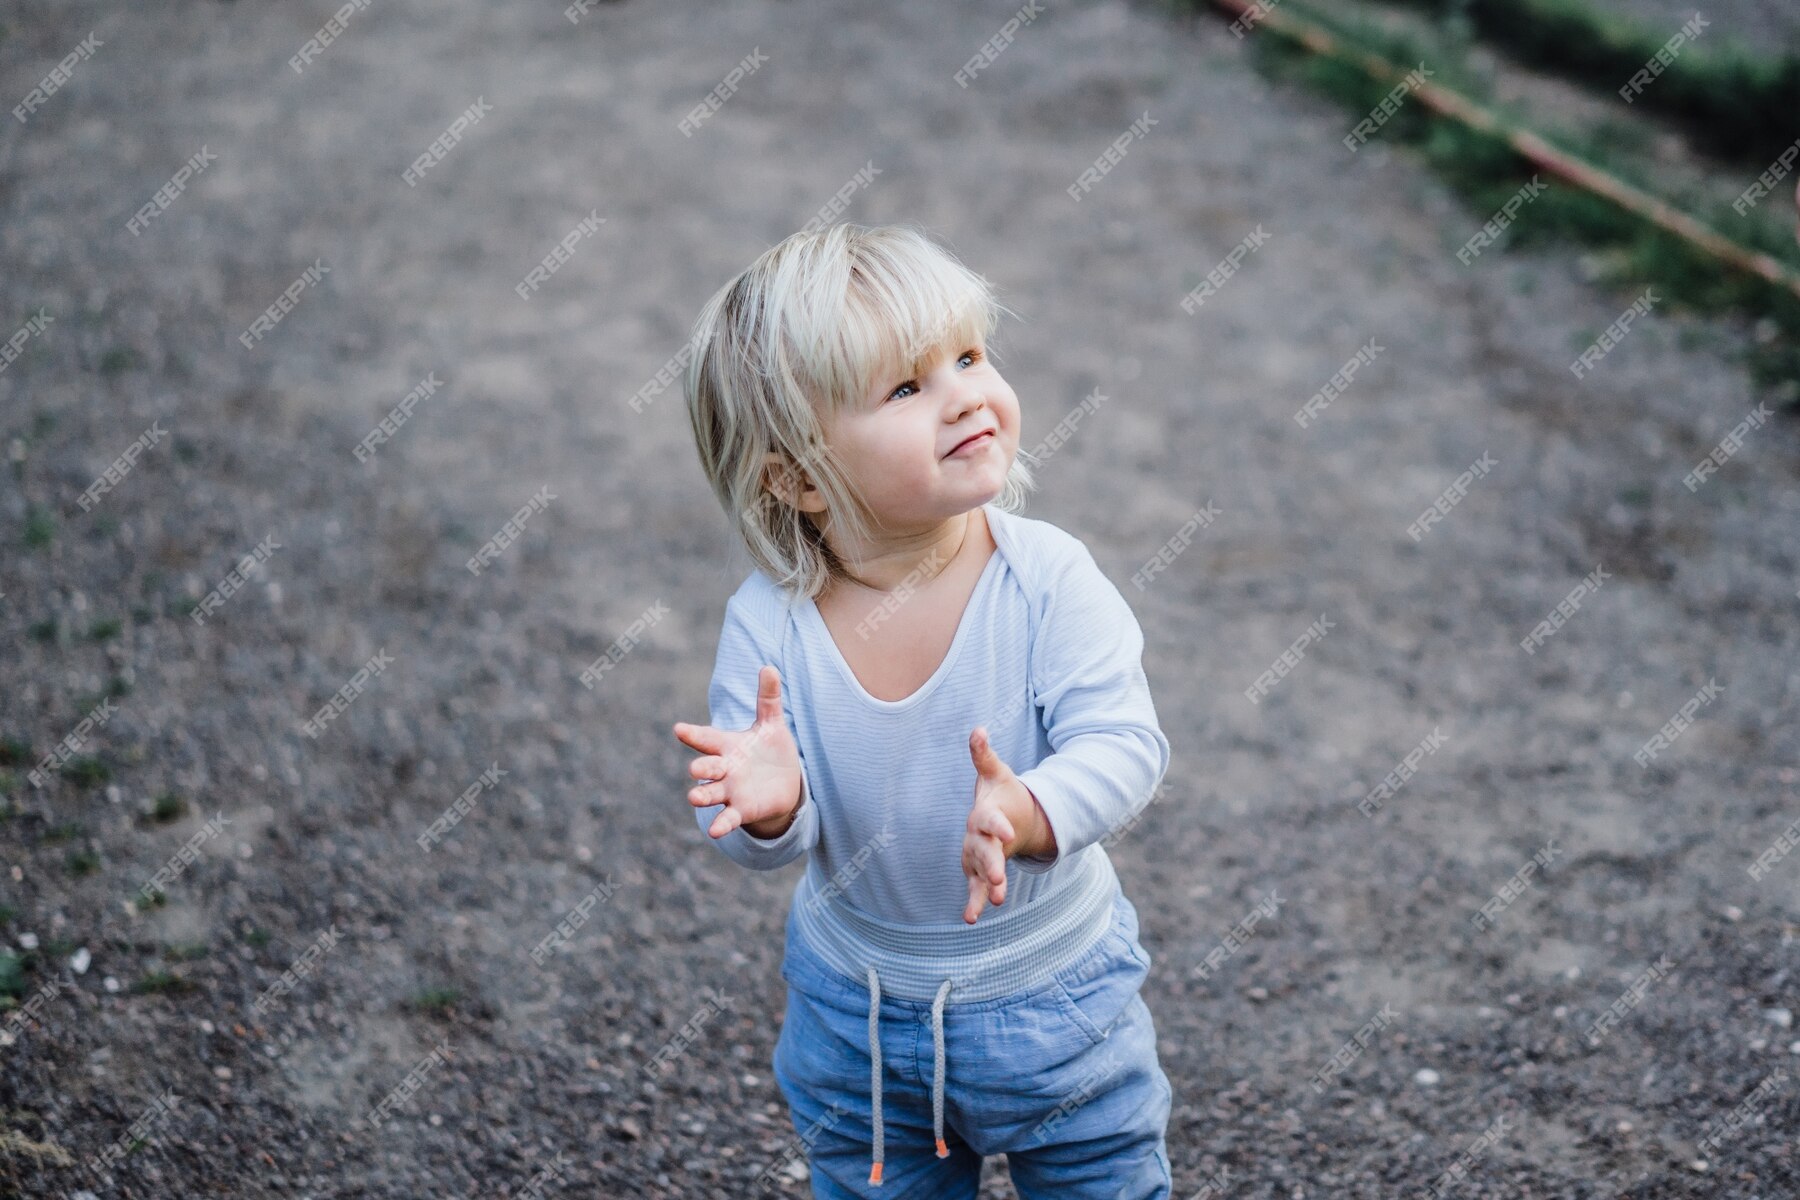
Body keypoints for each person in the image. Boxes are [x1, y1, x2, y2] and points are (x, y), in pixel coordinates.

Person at [671, 222, 1175, 1198]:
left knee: (1101, 1180)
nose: (968, 395)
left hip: (1055, 997)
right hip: (853, 1010)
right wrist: (771, 810)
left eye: (970, 355)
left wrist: (1032, 811)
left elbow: (1125, 743)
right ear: (798, 478)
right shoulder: (770, 626)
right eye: (907, 387)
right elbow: (739, 829)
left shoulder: (1045, 579)